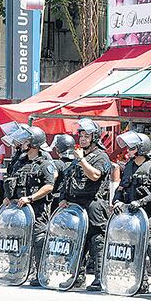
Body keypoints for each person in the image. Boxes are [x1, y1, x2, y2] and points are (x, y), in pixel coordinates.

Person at [113, 131, 151, 297]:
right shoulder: (129, 166)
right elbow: (121, 187)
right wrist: (117, 201)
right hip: (131, 216)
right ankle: (140, 283)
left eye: (132, 148)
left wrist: (142, 201)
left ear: (141, 148)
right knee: (132, 248)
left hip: (149, 214)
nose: (128, 151)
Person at [58, 118, 112, 291]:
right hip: (76, 204)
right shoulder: (79, 156)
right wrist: (63, 198)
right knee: (76, 240)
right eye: (81, 136)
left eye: (86, 136)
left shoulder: (101, 156)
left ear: (94, 137)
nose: (82, 139)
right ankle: (77, 277)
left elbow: (95, 175)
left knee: (97, 240)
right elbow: (69, 178)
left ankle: (99, 278)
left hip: (93, 203)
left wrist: (82, 160)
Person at [0, 125, 56, 286]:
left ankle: (40, 273)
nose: (22, 143)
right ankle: (15, 269)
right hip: (18, 209)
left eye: (26, 140)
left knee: (38, 240)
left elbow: (49, 186)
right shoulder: (20, 162)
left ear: (34, 143)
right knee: (14, 238)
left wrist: (31, 198)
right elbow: (12, 181)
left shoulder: (45, 163)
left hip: (37, 209)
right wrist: (8, 198)